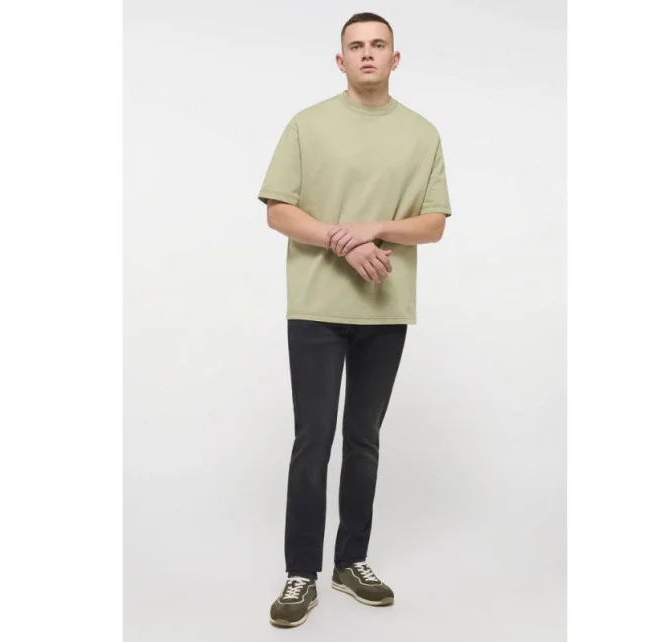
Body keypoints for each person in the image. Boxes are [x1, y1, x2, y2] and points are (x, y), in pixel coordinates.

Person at [258, 11, 452, 628]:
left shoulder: (422, 134)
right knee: (313, 440)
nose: (367, 54)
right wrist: (344, 242)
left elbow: (434, 224)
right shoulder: (307, 125)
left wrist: (376, 228)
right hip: (316, 306)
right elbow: (279, 211)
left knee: (364, 439)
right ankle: (300, 573)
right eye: (356, 46)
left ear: (396, 58)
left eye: (378, 45)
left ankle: (351, 562)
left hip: (384, 307)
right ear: (340, 61)